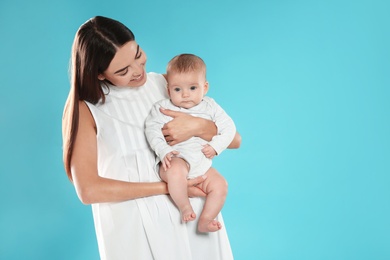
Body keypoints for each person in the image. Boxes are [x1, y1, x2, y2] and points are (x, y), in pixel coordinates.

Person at [62, 16, 241, 260]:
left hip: (194, 216)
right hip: (135, 224)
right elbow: (89, 190)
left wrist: (198, 126)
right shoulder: (87, 108)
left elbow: (234, 139)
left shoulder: (167, 84)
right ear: (100, 74)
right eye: (123, 70)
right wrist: (169, 188)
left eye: (138, 55)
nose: (138, 71)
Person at [145, 54, 236, 233]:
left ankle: (206, 219)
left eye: (193, 88)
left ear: (205, 87)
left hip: (201, 164)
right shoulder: (163, 108)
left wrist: (216, 146)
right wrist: (163, 150)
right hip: (177, 158)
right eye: (177, 89)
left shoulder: (210, 106)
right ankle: (184, 207)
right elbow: (152, 129)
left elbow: (229, 128)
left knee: (220, 185)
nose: (185, 94)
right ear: (168, 89)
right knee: (176, 171)